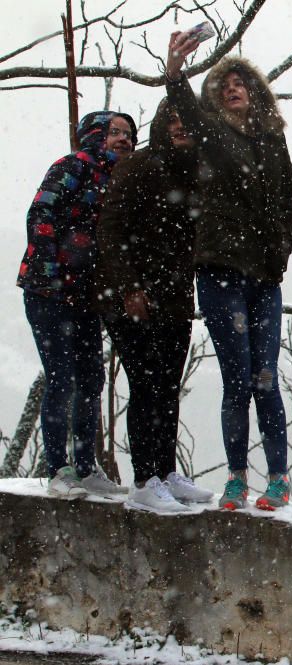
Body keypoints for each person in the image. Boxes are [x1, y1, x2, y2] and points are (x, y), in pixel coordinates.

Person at [164, 32, 292, 511]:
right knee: (236, 379)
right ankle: (237, 478)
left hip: (264, 275)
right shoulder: (212, 135)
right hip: (221, 269)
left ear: (255, 90)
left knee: (266, 377)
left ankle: (278, 478)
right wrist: (175, 70)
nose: (232, 88)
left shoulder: (273, 141)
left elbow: (289, 200)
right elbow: (185, 104)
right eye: (223, 85)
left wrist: (280, 253)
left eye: (240, 82)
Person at [94, 98, 214, 513]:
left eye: (187, 121)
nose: (180, 128)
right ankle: (145, 479)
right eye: (173, 121)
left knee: (166, 388)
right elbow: (110, 229)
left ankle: (165, 472)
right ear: (161, 126)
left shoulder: (197, 174)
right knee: (145, 387)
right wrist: (129, 288)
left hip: (175, 299)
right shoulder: (138, 167)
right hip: (131, 298)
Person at [17, 110, 136, 498]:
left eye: (129, 134)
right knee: (62, 378)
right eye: (115, 132)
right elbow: (41, 215)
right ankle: (58, 469)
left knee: (90, 379)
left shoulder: (123, 181)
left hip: (88, 298)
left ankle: (86, 467)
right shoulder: (73, 166)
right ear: (95, 135)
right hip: (49, 292)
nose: (124, 139)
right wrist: (51, 273)